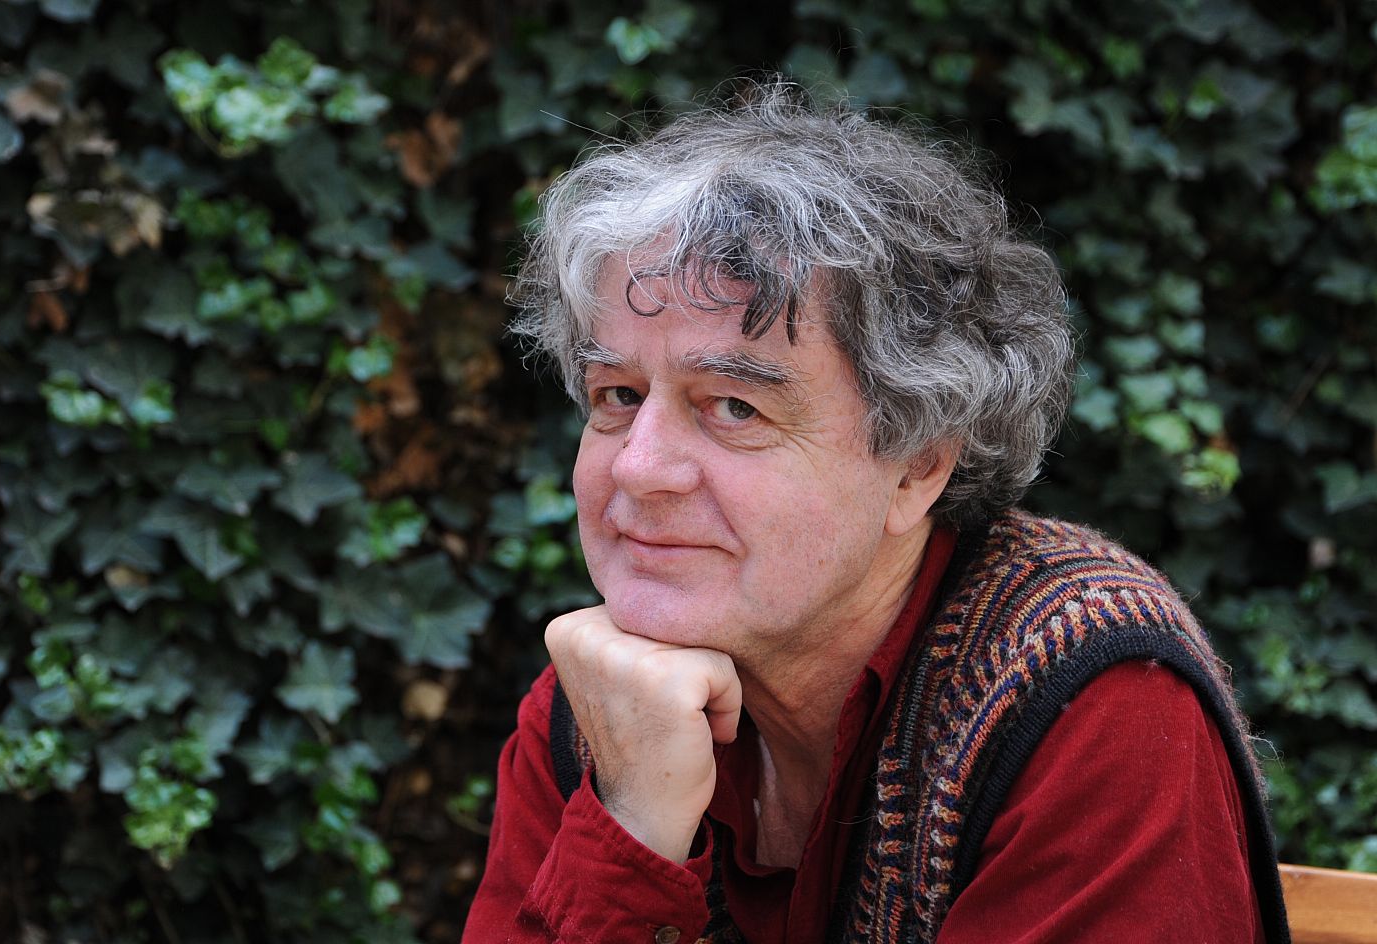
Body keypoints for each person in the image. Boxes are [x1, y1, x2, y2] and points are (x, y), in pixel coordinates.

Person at [464, 81, 1290, 943]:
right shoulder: (607, 707)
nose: (639, 468)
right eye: (618, 395)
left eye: (735, 407)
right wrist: (631, 823)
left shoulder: (1087, 702)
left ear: (917, 466)